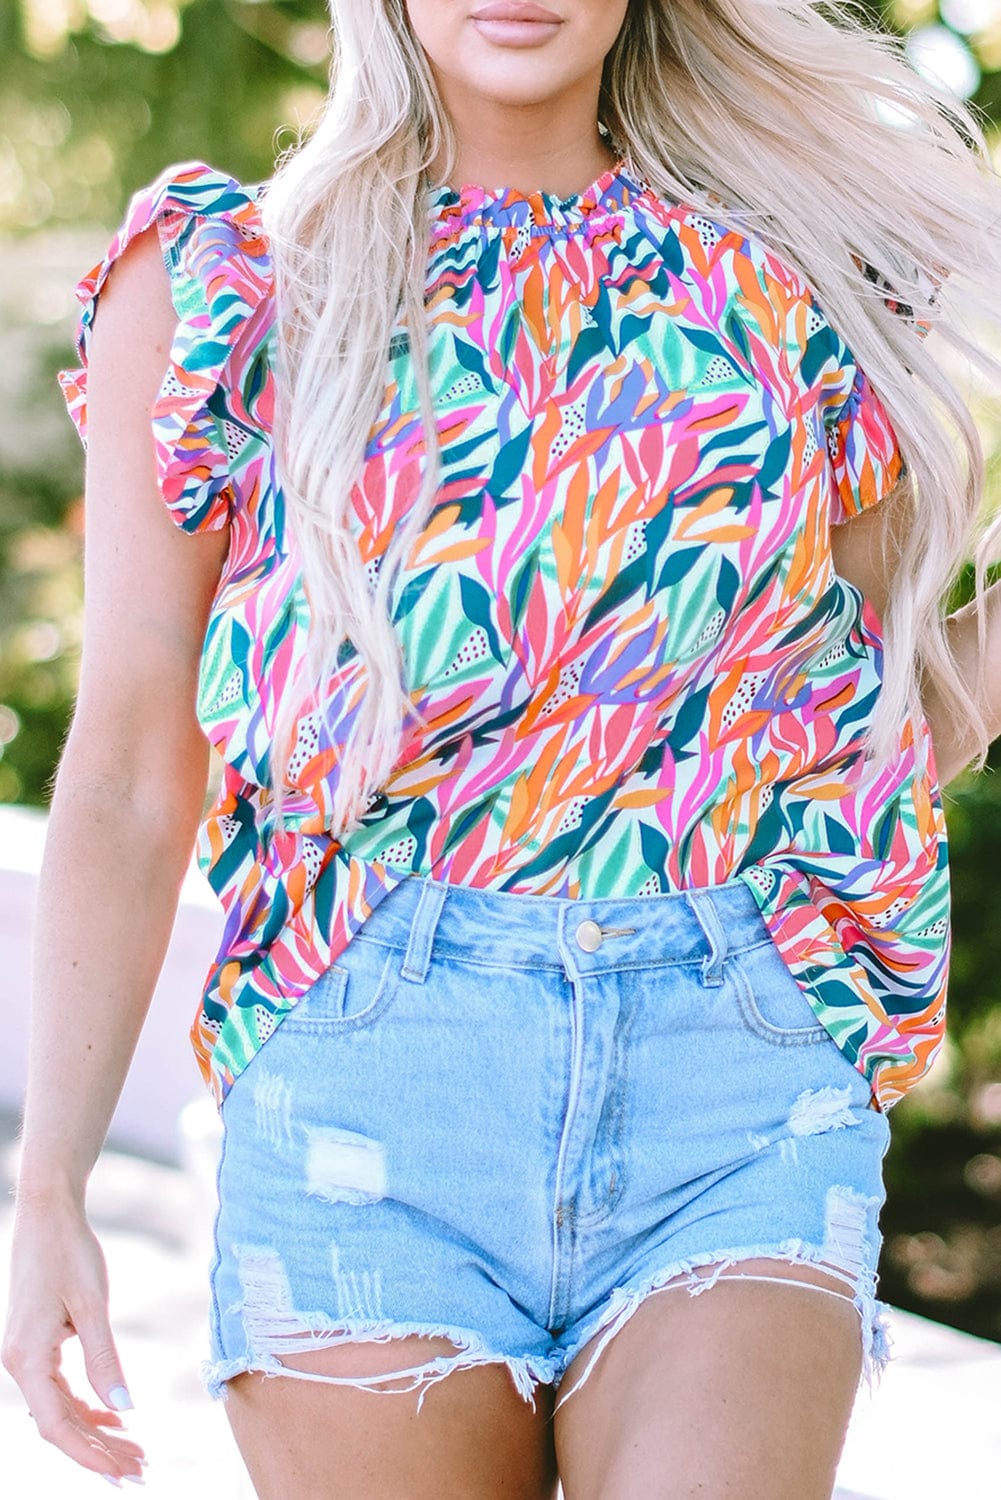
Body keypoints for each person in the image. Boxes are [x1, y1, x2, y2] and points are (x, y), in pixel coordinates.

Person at [4, 0, 1001, 1495]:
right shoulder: (229, 284)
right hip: (369, 1089)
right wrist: (49, 1187)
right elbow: (140, 762)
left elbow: (851, 741)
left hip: (733, 1080)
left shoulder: (794, 268)